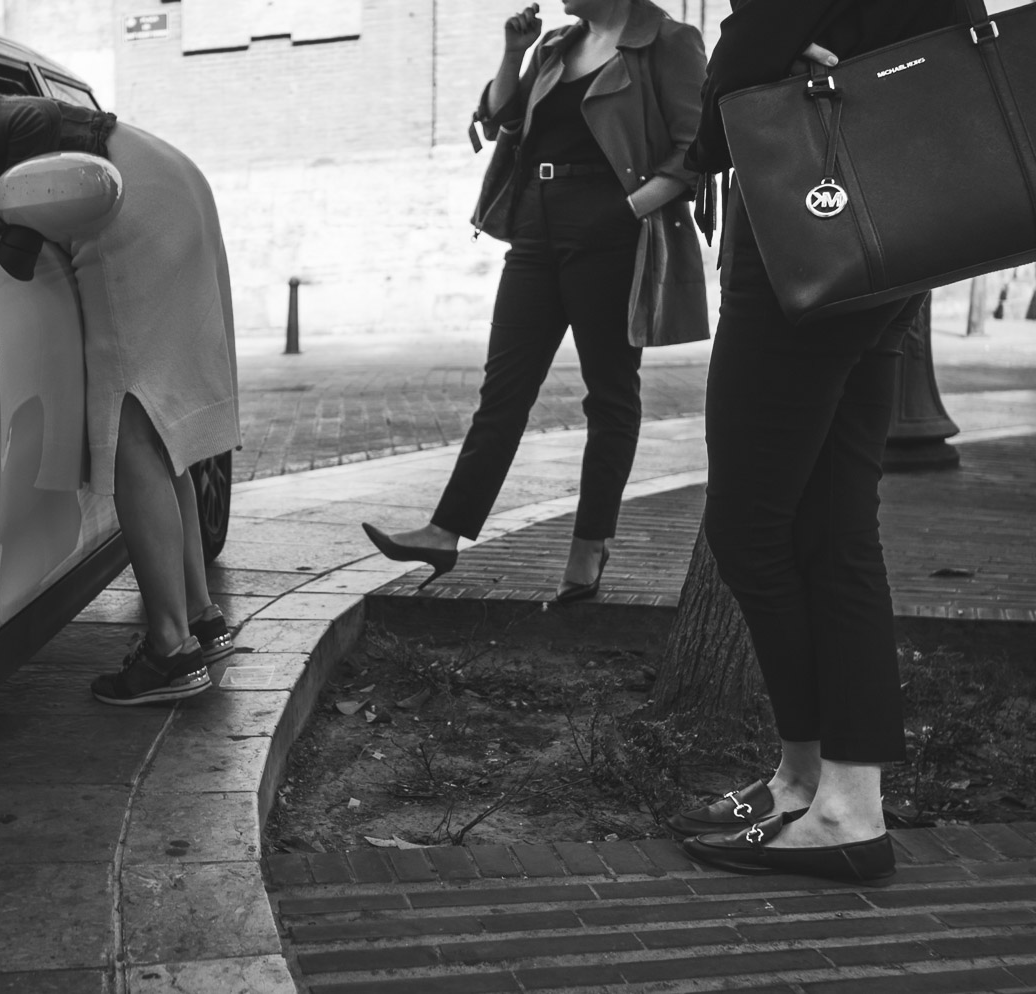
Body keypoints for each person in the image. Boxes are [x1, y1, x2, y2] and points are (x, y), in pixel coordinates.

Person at [665, 0, 967, 882]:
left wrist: (693, 155)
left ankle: (841, 804)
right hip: (900, 227)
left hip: (811, 221)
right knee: (835, 527)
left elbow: (743, 60)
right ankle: (820, 785)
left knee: (750, 527)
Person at [361, 0, 706, 601]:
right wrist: (514, 52)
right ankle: (445, 531)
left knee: (610, 394)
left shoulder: (667, 42)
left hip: (611, 234)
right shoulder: (556, 47)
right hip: (536, 230)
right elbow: (500, 120)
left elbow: (692, 151)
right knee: (504, 390)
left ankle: (589, 544)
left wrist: (624, 212)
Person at [0, 93, 240, 705]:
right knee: (161, 435)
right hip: (164, 182)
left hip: (122, 199)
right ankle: (200, 616)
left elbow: (29, 124)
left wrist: (18, 246)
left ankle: (170, 648)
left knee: (132, 426)